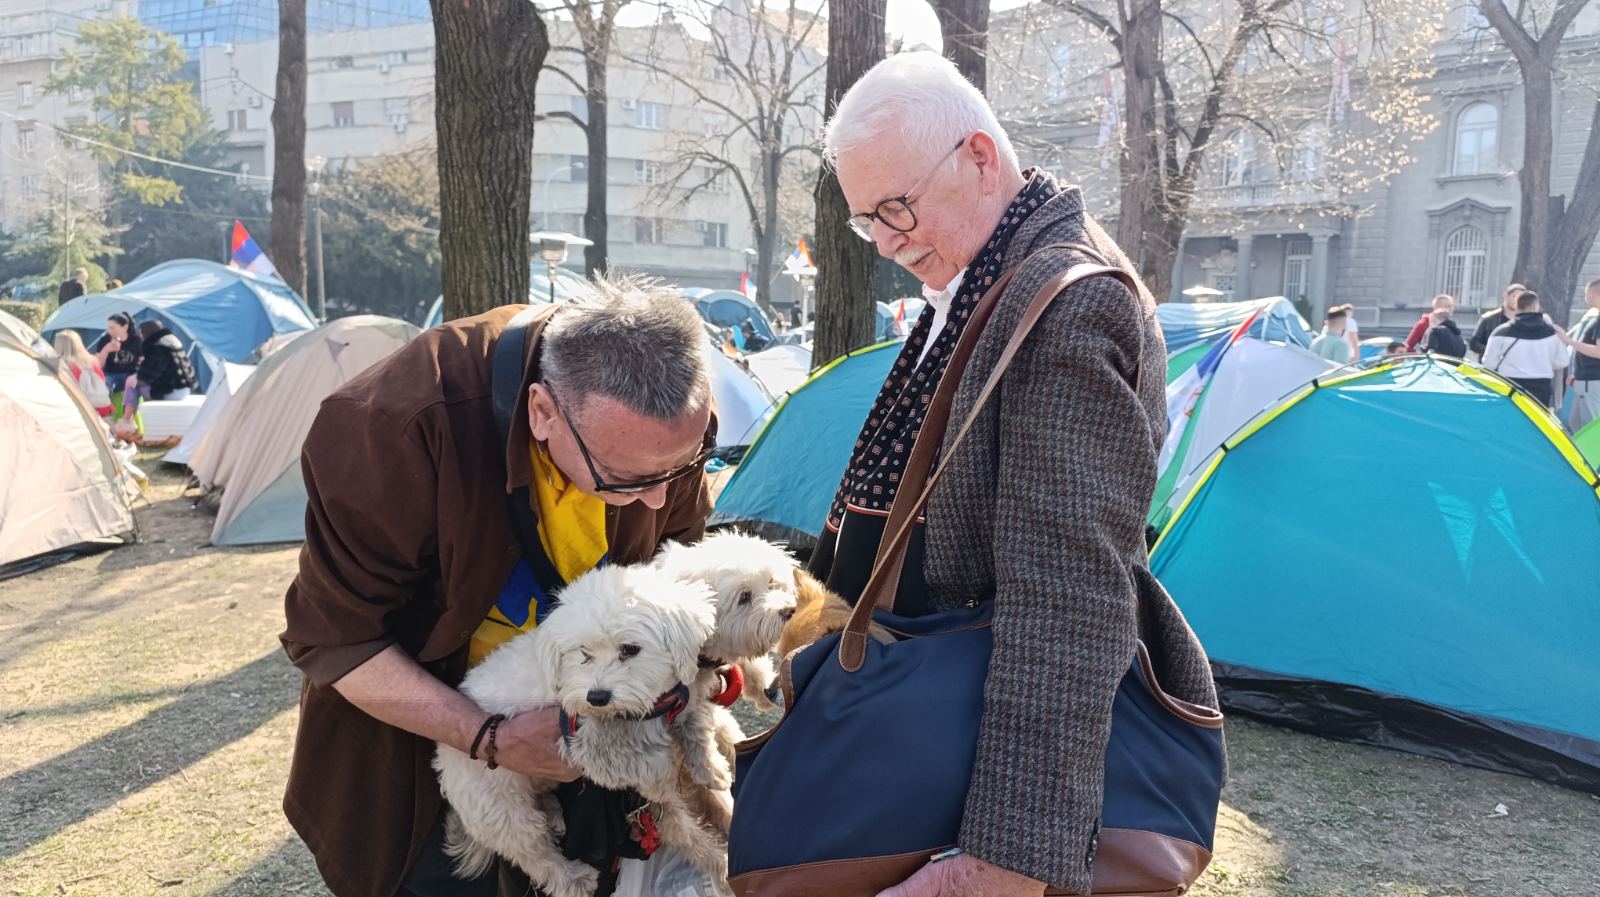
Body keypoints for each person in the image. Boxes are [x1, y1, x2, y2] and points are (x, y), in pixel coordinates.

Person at [808, 53, 1216, 897]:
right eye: (866, 222)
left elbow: (1068, 592)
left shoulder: (1066, 298)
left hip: (976, 777)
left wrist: (1003, 863)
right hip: (932, 735)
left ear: (980, 157)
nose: (886, 242)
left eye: (897, 207)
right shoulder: (990, 271)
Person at [280, 275, 716, 897]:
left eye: (685, 466)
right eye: (625, 479)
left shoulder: (658, 414)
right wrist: (489, 738)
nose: (657, 498)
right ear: (541, 412)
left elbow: (678, 553)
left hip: (602, 725)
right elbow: (337, 640)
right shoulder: (394, 427)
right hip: (421, 750)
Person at [1482, 290, 1567, 408]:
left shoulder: (1501, 332)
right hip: (1540, 386)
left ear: (1516, 306)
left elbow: (1489, 363)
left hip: (1509, 385)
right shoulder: (1553, 333)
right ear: (1535, 306)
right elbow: (1562, 361)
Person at [122, 320, 198, 414]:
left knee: (130, 383)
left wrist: (137, 376)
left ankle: (127, 420)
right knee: (135, 382)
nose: (140, 336)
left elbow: (151, 373)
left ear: (147, 332)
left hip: (170, 391)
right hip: (184, 389)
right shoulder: (172, 342)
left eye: (141, 332)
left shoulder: (158, 347)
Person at [52, 330, 113, 418]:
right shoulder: (93, 360)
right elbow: (102, 380)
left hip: (84, 408)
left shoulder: (63, 364)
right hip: (104, 404)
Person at [1565, 279, 1600, 431]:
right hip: (1585, 379)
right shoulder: (1595, 318)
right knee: (1576, 424)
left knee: (1589, 426)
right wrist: (1576, 374)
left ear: (1592, 294)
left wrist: (1569, 341)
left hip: (1591, 381)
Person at [90, 312, 142, 396]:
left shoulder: (136, 340)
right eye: (108, 328)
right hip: (111, 374)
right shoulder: (104, 340)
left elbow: (142, 360)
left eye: (112, 328)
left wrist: (137, 374)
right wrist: (106, 350)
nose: (109, 331)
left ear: (125, 327)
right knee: (104, 385)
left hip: (131, 374)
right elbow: (99, 365)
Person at [1469, 283, 1525, 360]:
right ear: (1506, 296)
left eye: (1521, 298)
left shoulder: (1524, 322)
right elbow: (1474, 343)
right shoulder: (1488, 318)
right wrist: (1493, 352)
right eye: (1514, 296)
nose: (1517, 300)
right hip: (1490, 367)